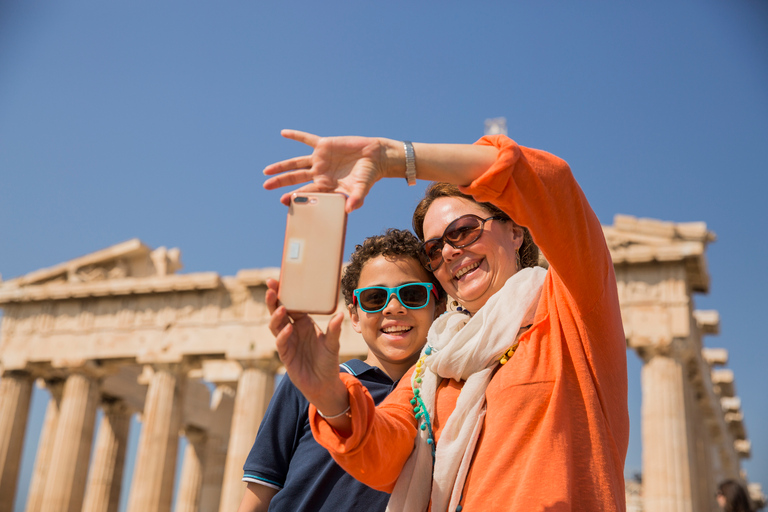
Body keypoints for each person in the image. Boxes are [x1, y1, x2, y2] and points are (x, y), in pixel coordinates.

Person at [263, 130, 630, 511]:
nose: (451, 252)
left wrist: (393, 158)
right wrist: (327, 394)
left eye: (464, 230)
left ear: (515, 230)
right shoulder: (434, 365)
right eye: (434, 249)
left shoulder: (572, 310)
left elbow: (550, 183)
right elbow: (382, 455)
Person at [237, 228, 445, 512]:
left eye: (412, 294)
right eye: (375, 298)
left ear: (439, 307)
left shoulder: (448, 397)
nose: (394, 307)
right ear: (355, 316)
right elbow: (258, 494)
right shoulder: (306, 384)